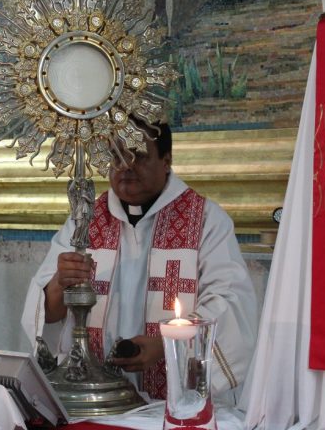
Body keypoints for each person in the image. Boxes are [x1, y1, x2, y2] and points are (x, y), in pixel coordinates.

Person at [21, 121, 257, 401]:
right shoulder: (84, 221)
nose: (126, 166)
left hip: (176, 400)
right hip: (96, 399)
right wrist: (61, 281)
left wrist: (167, 345)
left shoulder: (205, 219)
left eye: (139, 155)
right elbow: (45, 314)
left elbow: (230, 303)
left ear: (166, 161)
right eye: (116, 156)